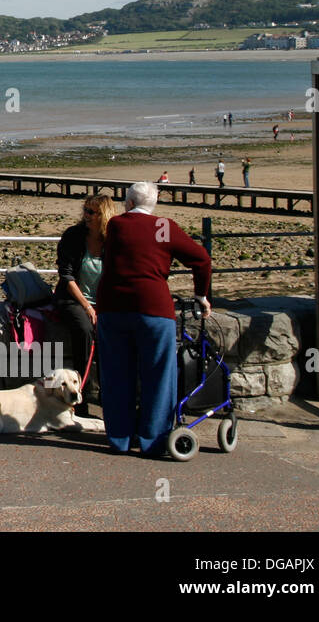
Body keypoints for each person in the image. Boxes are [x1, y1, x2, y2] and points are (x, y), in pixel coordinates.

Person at [96, 182, 211, 456]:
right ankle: (153, 440)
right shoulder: (164, 227)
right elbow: (201, 260)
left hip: (113, 307)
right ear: (155, 202)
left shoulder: (116, 226)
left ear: (128, 203)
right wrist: (201, 295)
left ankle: (120, 439)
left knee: (116, 376)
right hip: (153, 307)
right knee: (158, 377)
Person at [52, 193, 118, 415]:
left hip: (104, 302)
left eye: (92, 212)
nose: (87, 216)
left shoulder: (113, 239)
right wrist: (88, 307)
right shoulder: (73, 236)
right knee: (84, 330)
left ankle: (109, 396)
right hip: (72, 299)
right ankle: (82, 396)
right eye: (85, 211)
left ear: (104, 215)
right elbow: (67, 276)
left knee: (109, 334)